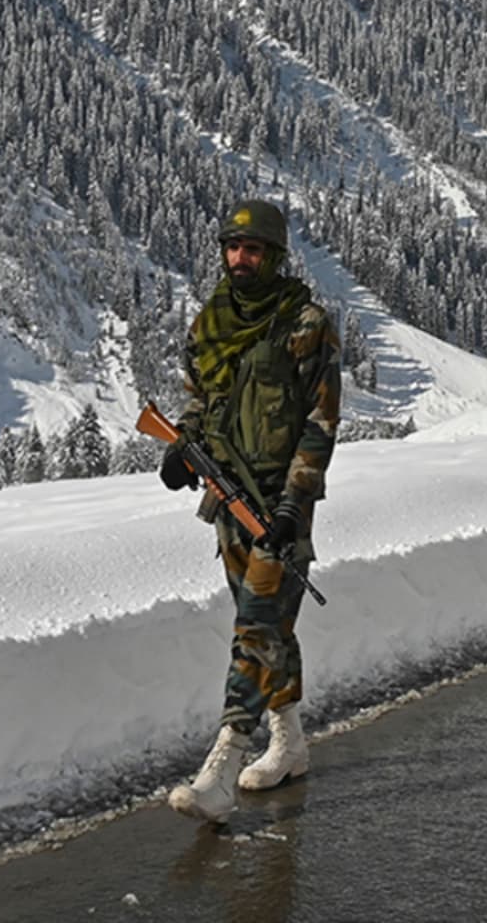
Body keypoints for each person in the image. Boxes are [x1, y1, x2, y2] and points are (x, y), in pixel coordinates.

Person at [159, 198, 341, 821]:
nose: (241, 259)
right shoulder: (210, 322)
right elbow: (197, 398)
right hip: (226, 497)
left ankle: (225, 763)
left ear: (274, 256)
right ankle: (289, 743)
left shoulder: (305, 322)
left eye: (254, 250)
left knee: (256, 625)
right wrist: (182, 451)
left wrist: (295, 502)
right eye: (234, 248)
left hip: (280, 500)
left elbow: (320, 423)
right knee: (264, 624)